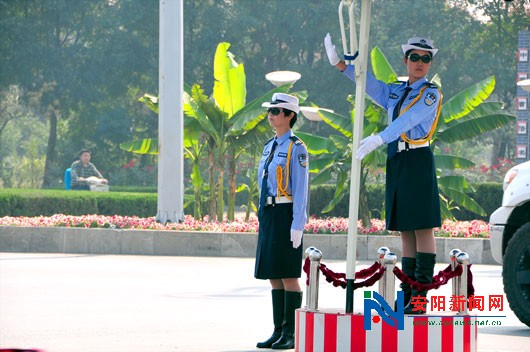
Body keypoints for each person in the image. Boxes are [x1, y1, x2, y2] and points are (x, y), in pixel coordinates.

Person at [324, 34, 442, 314]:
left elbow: (408, 121)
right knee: (405, 228)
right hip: (398, 159)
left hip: (417, 158)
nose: (420, 63)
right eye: (414, 57)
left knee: (422, 226)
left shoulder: (430, 93)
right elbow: (371, 87)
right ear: (405, 60)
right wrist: (341, 65)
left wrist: (380, 137)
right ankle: (408, 291)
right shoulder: (396, 90)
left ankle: (421, 295)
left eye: (426, 59)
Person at [254, 93, 309, 349]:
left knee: (288, 275)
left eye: (277, 111)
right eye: (271, 110)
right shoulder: (269, 146)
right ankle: (278, 331)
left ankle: (291, 333)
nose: (271, 115)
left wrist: (298, 224)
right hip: (269, 214)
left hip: (286, 214)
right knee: (273, 275)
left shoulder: (296, 147)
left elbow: (300, 189)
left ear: (290, 116)